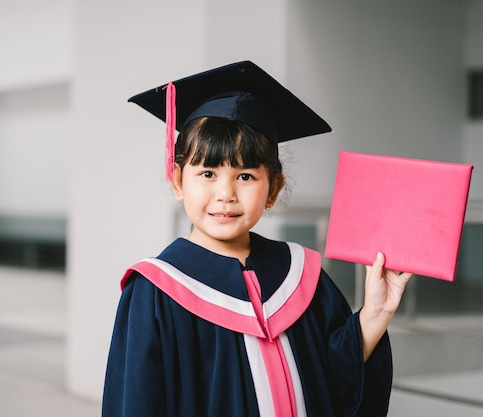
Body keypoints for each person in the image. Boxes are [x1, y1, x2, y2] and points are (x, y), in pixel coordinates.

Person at [102, 61, 412, 417]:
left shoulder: (301, 275)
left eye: (246, 176)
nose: (226, 193)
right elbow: (137, 404)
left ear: (273, 188)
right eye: (207, 172)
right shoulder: (155, 292)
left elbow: (334, 380)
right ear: (177, 181)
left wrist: (376, 312)